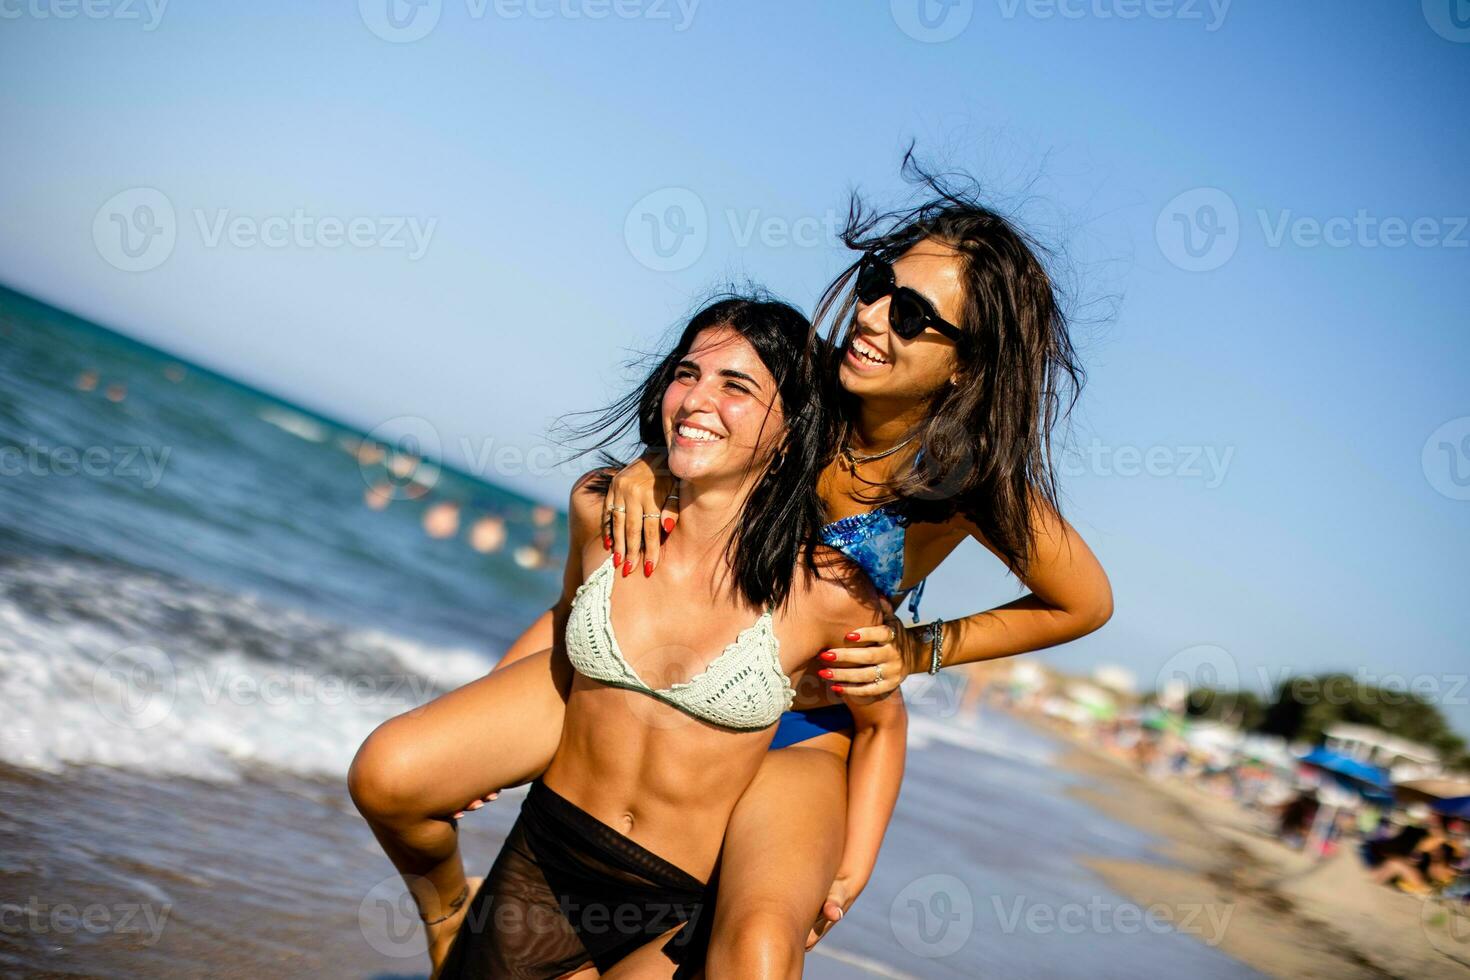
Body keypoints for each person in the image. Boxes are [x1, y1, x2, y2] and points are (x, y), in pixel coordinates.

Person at [352, 156, 1114, 974]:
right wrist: (648, 470)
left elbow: (1082, 603)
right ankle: (449, 916)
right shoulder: (803, 389)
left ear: (968, 361)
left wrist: (923, 649)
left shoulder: (969, 480)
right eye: (877, 283)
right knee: (397, 775)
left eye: (914, 314)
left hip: (795, 723)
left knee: (754, 949)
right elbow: (699, 421)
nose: (872, 316)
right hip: (652, 669)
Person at [354, 296, 906, 977]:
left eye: (737, 386)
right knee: (384, 771)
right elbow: (564, 616)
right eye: (687, 374)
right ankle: (448, 914)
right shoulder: (602, 507)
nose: (698, 399)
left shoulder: (824, 591)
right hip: (545, 865)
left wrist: (849, 872)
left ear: (791, 428)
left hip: (674, 907)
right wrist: (482, 740)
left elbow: (881, 725)